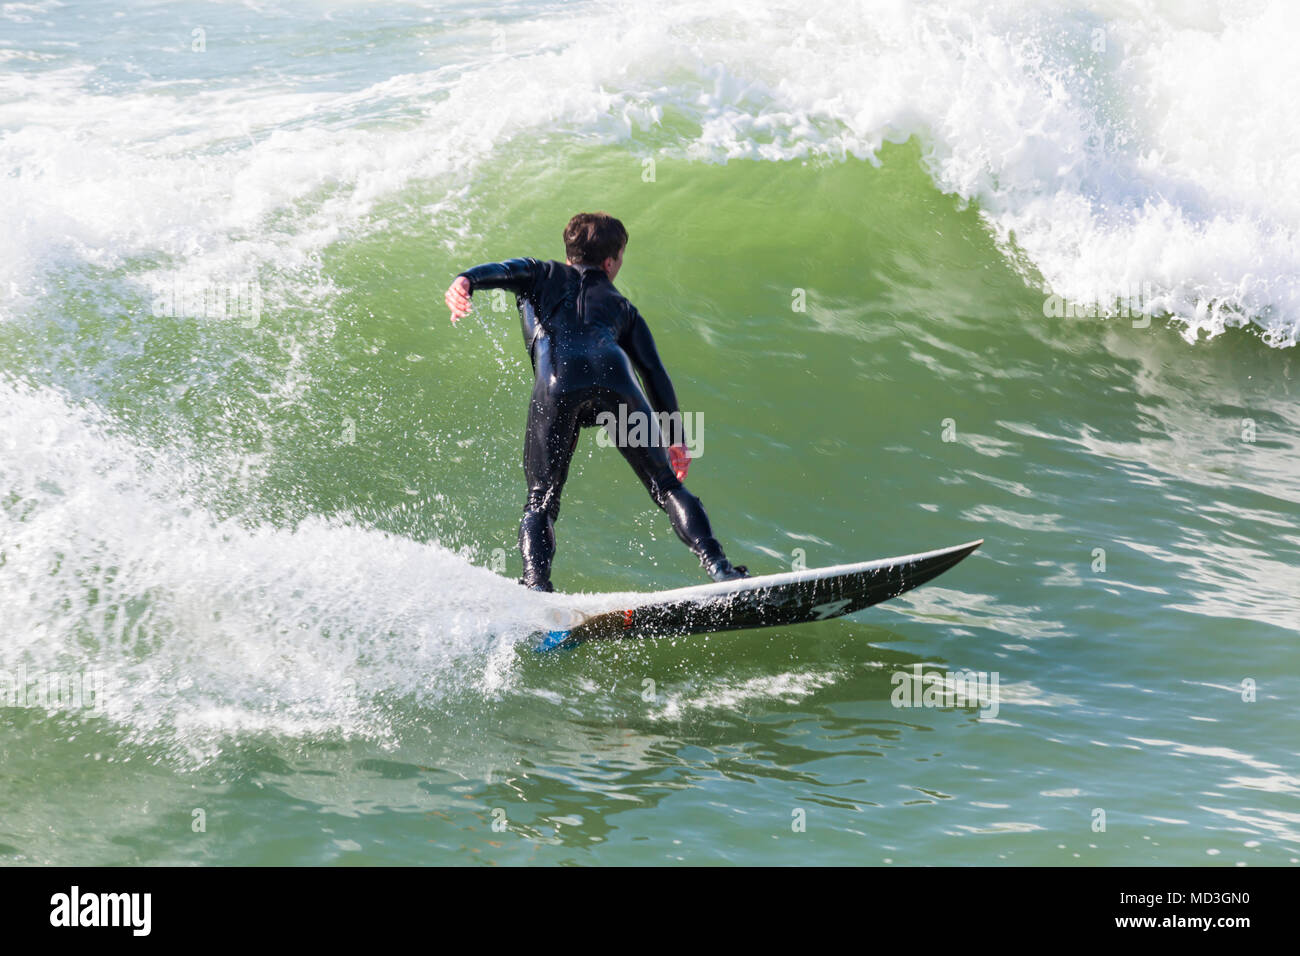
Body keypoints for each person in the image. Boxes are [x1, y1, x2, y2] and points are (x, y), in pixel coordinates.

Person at [444, 211, 749, 592]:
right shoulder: (623, 307)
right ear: (610, 260)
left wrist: (465, 281)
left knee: (541, 501)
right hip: (615, 378)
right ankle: (719, 568)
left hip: (558, 382)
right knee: (667, 486)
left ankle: (537, 588)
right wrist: (675, 435)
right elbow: (653, 372)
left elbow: (502, 271)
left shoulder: (538, 273)